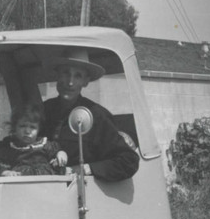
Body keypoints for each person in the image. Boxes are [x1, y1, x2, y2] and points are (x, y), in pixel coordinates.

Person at [41, 48, 140, 182]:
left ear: (86, 81)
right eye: (65, 73)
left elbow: (128, 161)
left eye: (78, 76)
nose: (70, 82)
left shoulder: (96, 115)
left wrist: (85, 169)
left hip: (82, 194)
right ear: (57, 75)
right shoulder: (42, 111)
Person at [0, 104, 67, 176]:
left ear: (39, 129)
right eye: (22, 126)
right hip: (21, 183)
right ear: (15, 127)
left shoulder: (44, 145)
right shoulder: (10, 148)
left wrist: (61, 154)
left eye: (32, 127)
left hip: (45, 182)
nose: (27, 131)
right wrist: (6, 173)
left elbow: (57, 151)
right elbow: (2, 168)